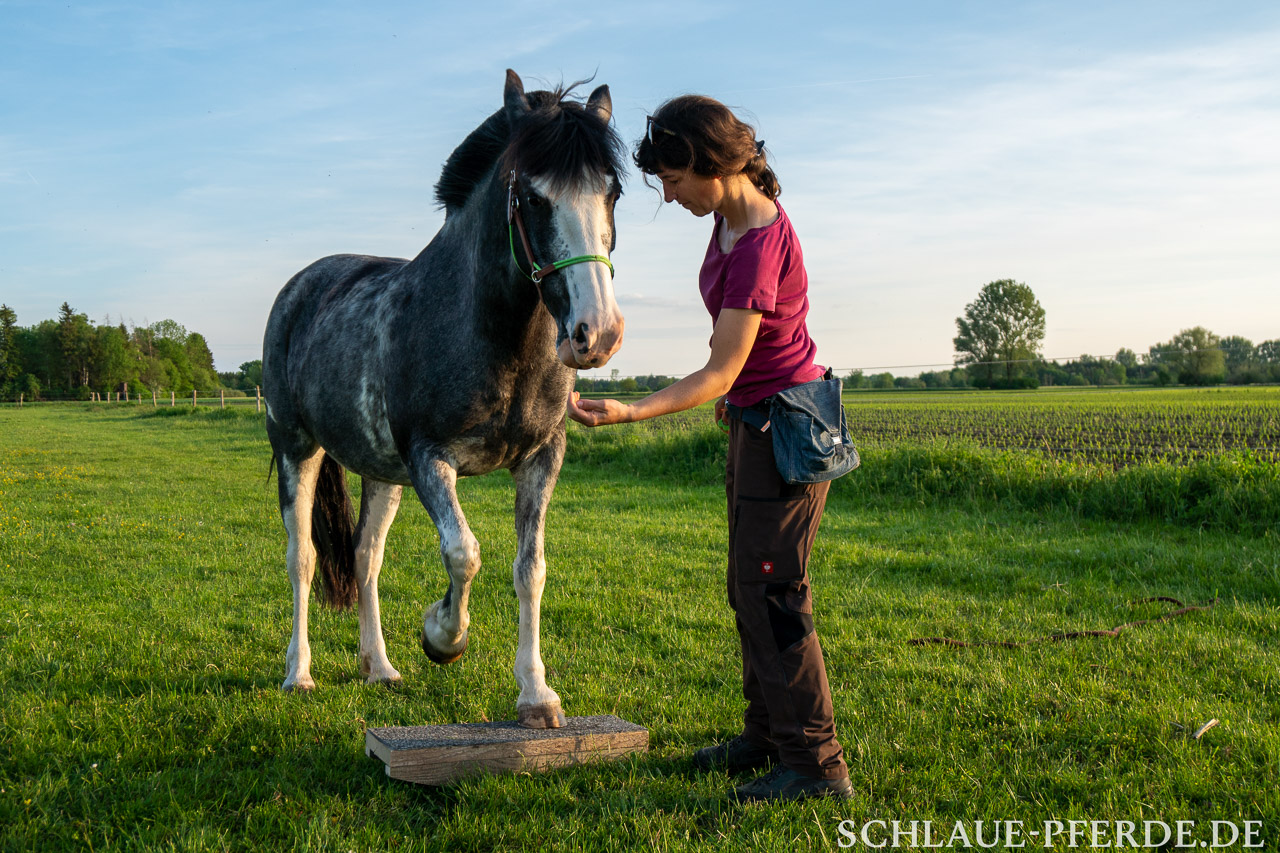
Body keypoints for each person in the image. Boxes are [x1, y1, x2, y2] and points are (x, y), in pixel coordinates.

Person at [567, 95, 851, 803]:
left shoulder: (754, 239)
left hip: (783, 429)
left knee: (776, 595)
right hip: (754, 424)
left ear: (703, 163)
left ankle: (816, 768)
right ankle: (766, 735)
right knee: (748, 588)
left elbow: (720, 370)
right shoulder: (727, 220)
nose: (665, 193)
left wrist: (632, 409)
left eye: (669, 178)